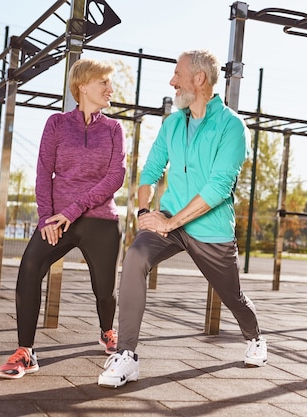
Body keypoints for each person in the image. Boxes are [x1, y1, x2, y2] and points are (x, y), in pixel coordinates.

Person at [98, 50, 267, 389]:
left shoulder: (232, 127)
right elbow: (149, 172)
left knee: (232, 296)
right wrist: (146, 214)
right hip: (168, 218)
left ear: (199, 79)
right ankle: (127, 356)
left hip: (209, 228)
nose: (172, 81)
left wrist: (169, 224)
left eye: (177, 74)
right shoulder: (172, 123)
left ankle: (255, 336)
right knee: (135, 256)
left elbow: (218, 187)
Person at [0, 58, 126, 379]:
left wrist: (72, 211)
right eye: (104, 83)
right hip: (56, 218)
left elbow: (116, 176)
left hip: (98, 219)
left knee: (104, 290)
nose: (110, 89)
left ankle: (107, 330)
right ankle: (25, 351)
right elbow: (44, 172)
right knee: (29, 268)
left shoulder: (113, 128)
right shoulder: (56, 123)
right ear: (83, 86)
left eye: (110, 83)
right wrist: (45, 219)